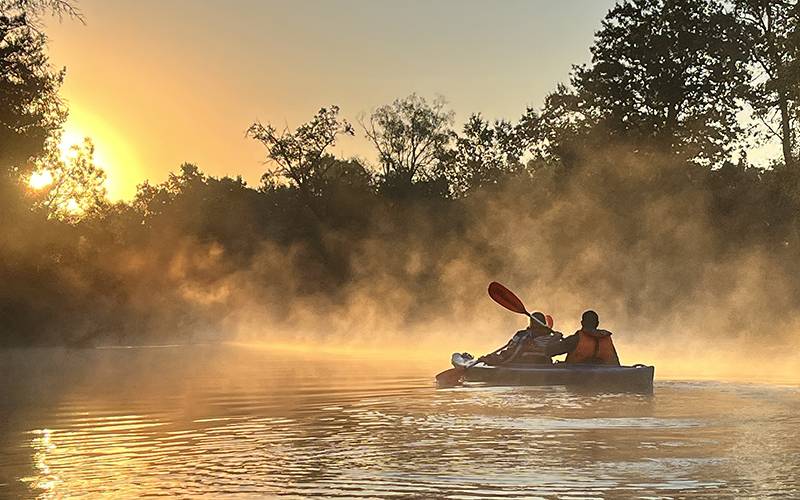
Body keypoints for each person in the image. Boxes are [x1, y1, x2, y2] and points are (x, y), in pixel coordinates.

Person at [481, 312, 563, 365]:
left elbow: (551, 349)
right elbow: (510, 350)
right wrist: (557, 337)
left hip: (536, 363)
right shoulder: (522, 335)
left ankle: (499, 359)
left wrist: (556, 338)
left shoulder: (550, 337)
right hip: (520, 362)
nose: (538, 331)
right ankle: (499, 359)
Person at [546, 310, 620, 365]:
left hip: (578, 377)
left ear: (582, 323)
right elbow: (616, 363)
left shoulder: (575, 339)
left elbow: (549, 351)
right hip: (604, 377)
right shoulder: (607, 339)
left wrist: (555, 338)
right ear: (597, 323)